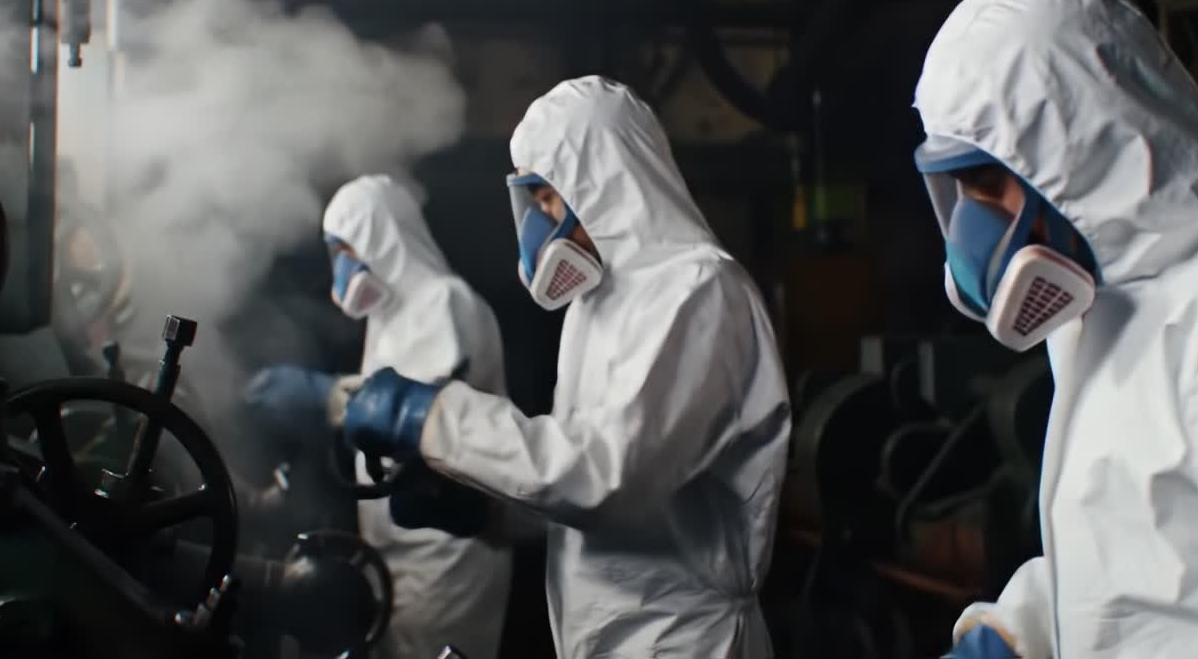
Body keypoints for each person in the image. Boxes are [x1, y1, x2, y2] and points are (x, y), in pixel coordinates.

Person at [339, 76, 792, 658]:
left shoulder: (698, 290)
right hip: (609, 637)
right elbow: (590, 500)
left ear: (599, 179)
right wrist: (489, 511)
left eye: (546, 196)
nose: (537, 221)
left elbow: (608, 476)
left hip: (684, 641)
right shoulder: (597, 305)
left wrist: (430, 417)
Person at [914, 0, 1198, 659]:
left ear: (1077, 154)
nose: (971, 225)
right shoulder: (1106, 302)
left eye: (985, 184)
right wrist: (1018, 634)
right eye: (958, 190)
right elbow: (1128, 564)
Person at [244, 173, 513, 659]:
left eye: (345, 250)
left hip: (443, 553)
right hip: (396, 545)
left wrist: (327, 398)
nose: (341, 268)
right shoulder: (390, 316)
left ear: (381, 238)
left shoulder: (443, 301)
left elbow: (417, 416)